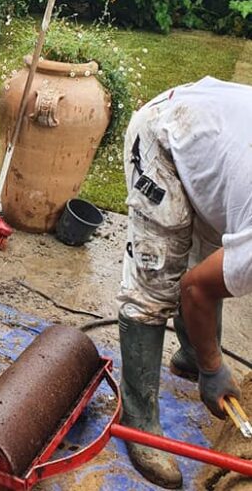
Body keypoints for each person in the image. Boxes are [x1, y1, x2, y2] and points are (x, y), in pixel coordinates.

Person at [118, 76, 251, 489]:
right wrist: (216, 369)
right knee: (158, 277)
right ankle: (138, 418)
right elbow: (197, 288)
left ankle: (192, 355)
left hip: (211, 140)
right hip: (163, 137)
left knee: (211, 256)